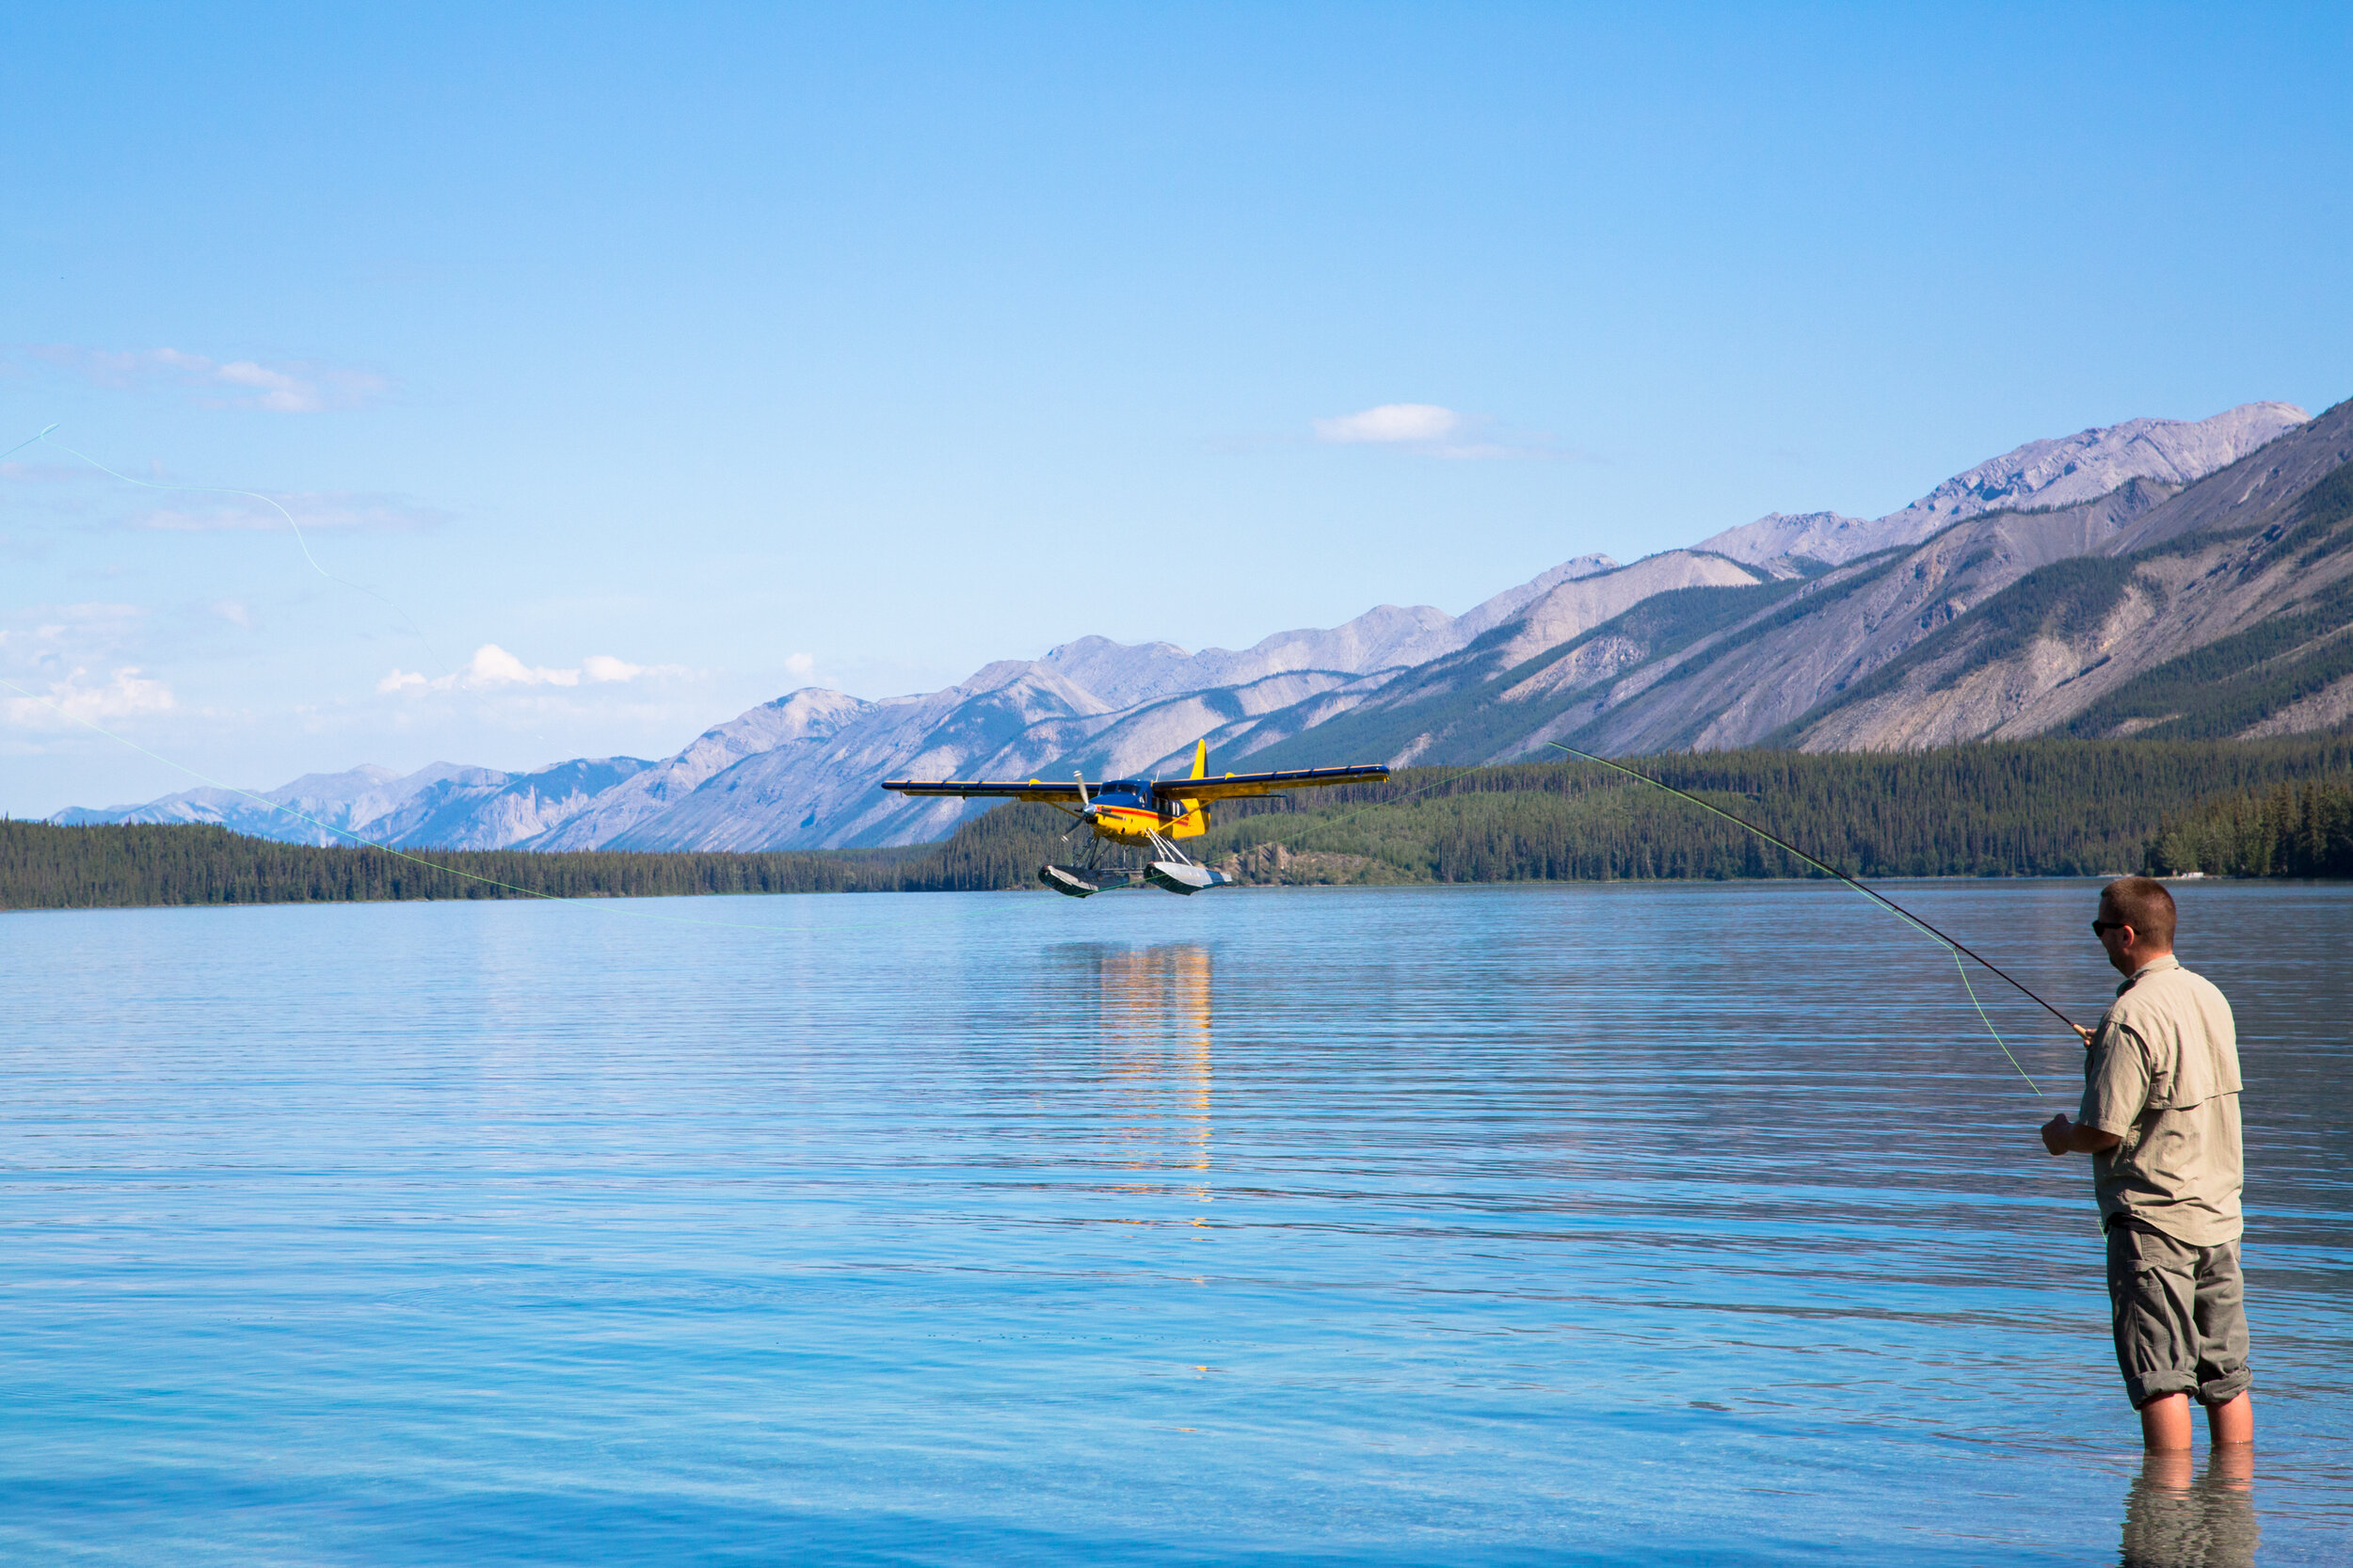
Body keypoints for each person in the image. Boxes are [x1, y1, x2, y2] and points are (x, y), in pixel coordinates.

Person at [2040, 876, 2252, 1452]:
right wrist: (2107, 1053)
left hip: (2155, 1226)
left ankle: (2166, 1521)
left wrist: (2060, 1137)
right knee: (2225, 1377)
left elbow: (2102, 1131)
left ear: (2127, 934)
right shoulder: (2209, 996)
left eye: (2100, 928)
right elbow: (2176, 1069)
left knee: (2161, 1379)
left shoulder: (2129, 1017)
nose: (2098, 938)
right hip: (2219, 1219)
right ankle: (2233, 1500)